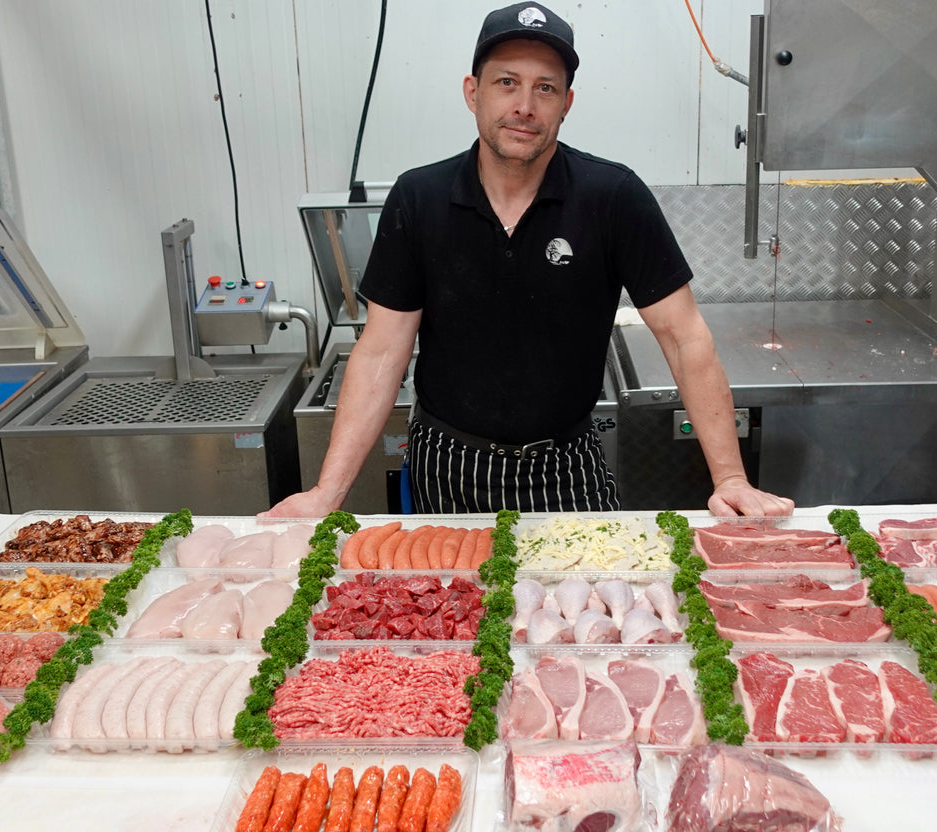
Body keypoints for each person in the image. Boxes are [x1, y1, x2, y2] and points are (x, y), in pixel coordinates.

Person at [266, 2, 792, 518]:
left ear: (567, 103)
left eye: (546, 87)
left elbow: (685, 337)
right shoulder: (418, 198)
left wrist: (730, 479)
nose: (525, 105)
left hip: (567, 463)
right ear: (473, 92)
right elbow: (382, 352)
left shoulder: (613, 197)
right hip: (447, 464)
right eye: (506, 82)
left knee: (589, 604)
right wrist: (326, 494)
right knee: (448, 604)